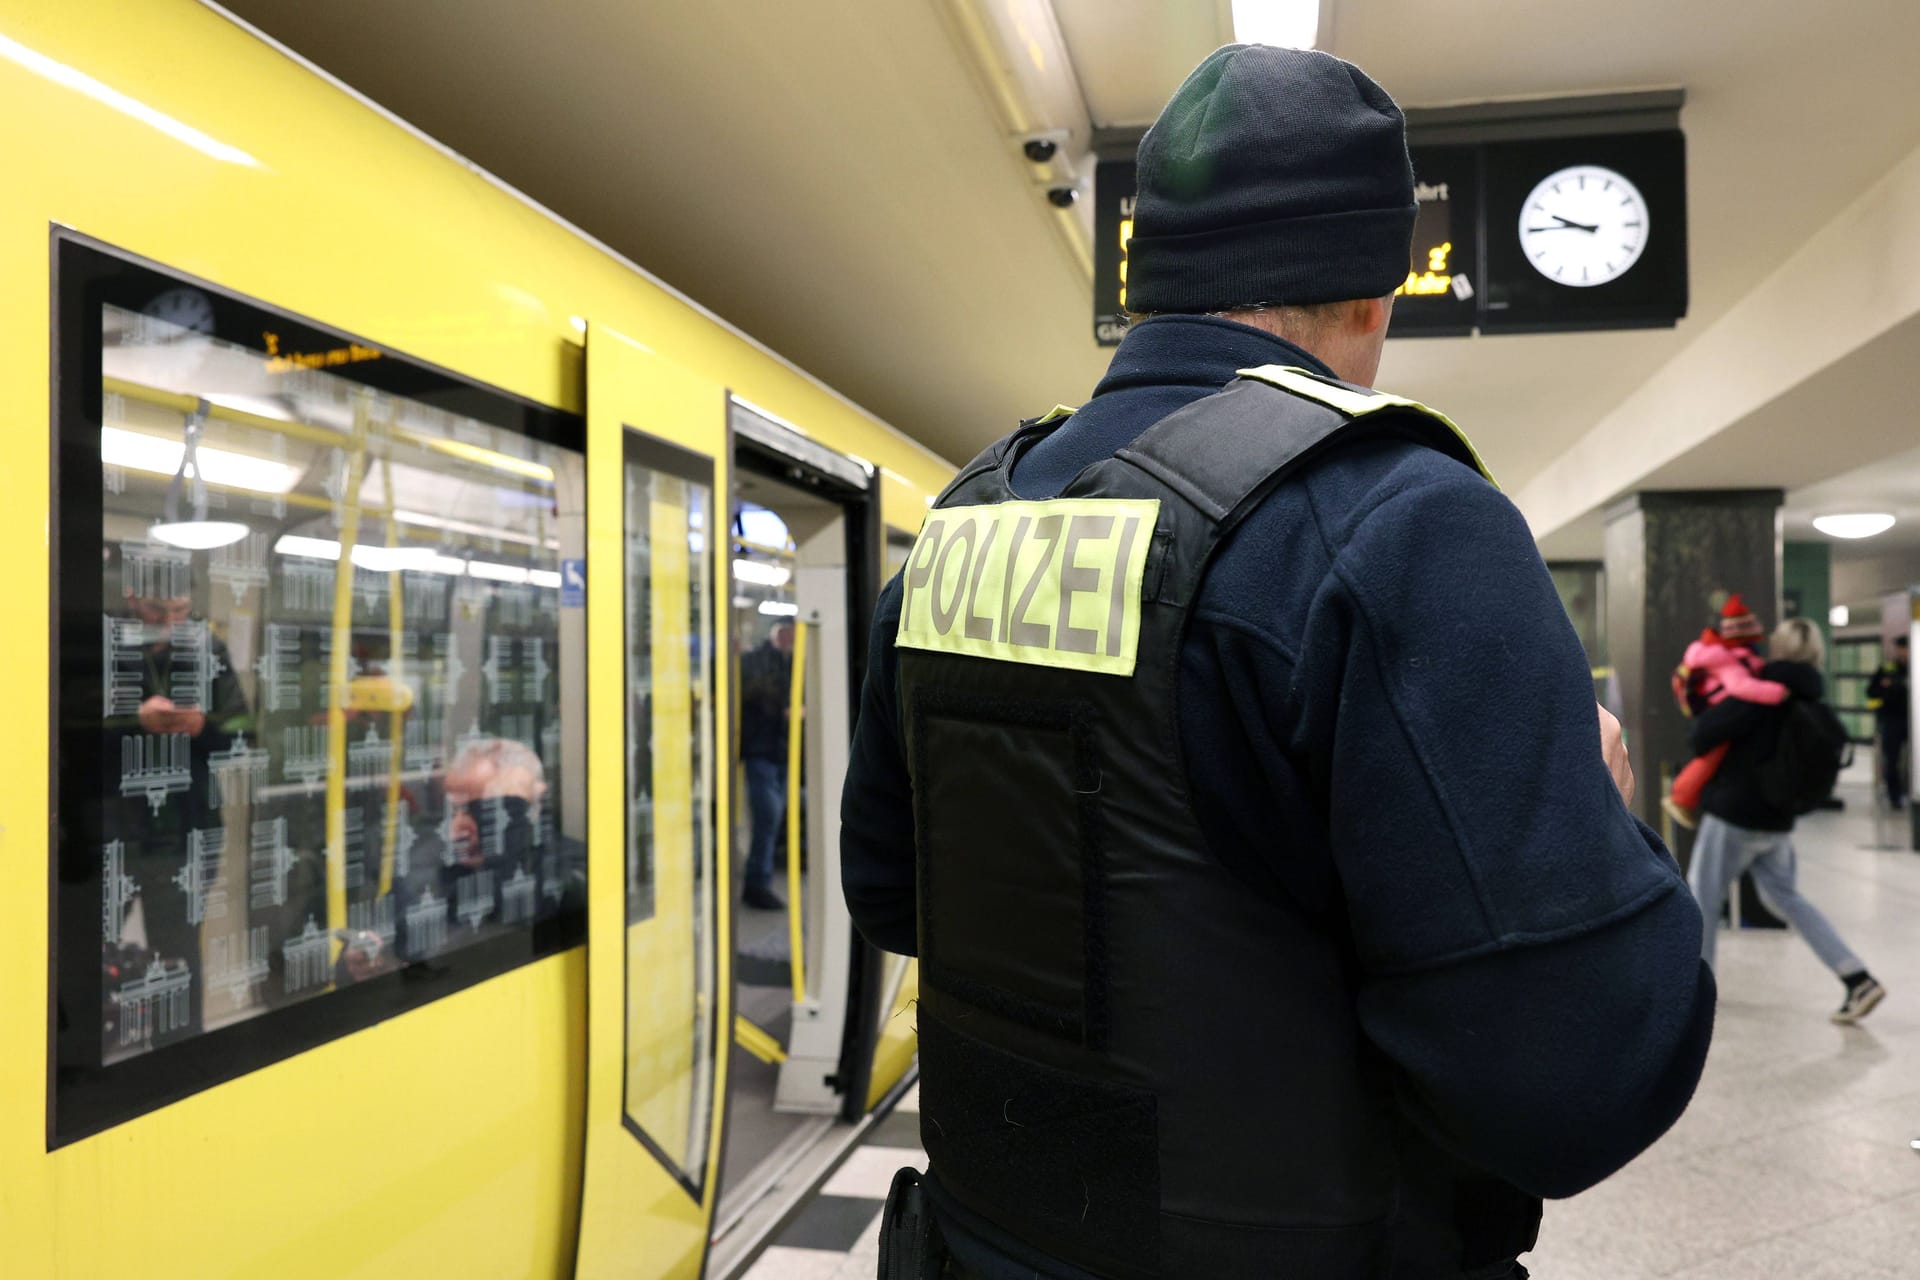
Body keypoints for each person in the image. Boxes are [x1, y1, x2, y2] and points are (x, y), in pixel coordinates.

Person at [842, 45, 1714, 1280]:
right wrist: (1610, 820)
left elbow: (892, 893)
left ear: (1147, 275)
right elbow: (1579, 1081)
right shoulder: (1400, 523)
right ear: (1378, 290)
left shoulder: (969, 521)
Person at [1687, 618, 1886, 1024]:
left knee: (1702, 898)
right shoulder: (1814, 700)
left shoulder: (1759, 695)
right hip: (1777, 823)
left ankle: (1696, 994)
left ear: (1778, 650)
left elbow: (1702, 734)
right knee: (1787, 899)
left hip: (1734, 816)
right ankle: (1856, 976)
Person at [101, 570, 253, 1046]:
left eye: (179, 612)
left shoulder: (207, 650)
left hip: (186, 829)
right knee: (86, 946)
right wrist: (134, 721)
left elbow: (245, 733)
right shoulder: (100, 644)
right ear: (130, 598)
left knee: (181, 952)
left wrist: (202, 727)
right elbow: (60, 730)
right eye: (155, 612)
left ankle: (183, 1060)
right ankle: (85, 1057)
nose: (168, 623)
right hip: (111, 827)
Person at [1662, 594, 1789, 831]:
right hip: (1720, 712)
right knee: (1711, 759)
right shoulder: (1724, 658)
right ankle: (1681, 797)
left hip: (1720, 713)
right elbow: (1741, 687)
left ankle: (1683, 797)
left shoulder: (1727, 653)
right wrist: (1779, 692)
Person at [740, 622, 794, 911]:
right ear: (779, 633)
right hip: (761, 751)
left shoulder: (792, 662)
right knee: (767, 820)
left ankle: (760, 879)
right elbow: (752, 694)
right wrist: (785, 710)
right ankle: (756, 883)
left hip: (781, 752)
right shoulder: (755, 661)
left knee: (772, 821)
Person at [1865, 634, 1910, 810]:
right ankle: (1895, 797)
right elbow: (1871, 692)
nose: (1904, 652)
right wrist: (1887, 690)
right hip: (1891, 721)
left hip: (1913, 721)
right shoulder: (1887, 669)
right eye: (1901, 648)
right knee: (1892, 760)